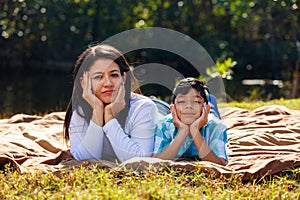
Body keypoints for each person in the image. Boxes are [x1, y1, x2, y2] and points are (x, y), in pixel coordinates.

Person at [63, 44, 158, 163]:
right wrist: (97, 112)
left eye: (114, 75)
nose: (108, 83)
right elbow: (83, 161)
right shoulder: (81, 111)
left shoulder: (143, 108)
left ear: (123, 77)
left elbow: (139, 161)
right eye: (98, 77)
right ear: (84, 82)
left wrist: (109, 117)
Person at [152, 77, 228, 166]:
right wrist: (183, 131)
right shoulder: (164, 124)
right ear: (173, 109)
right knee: (157, 105)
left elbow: (221, 163)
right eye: (181, 101)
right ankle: (154, 99)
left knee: (212, 104)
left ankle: (211, 101)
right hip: (179, 112)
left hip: (207, 113)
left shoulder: (216, 126)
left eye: (196, 101)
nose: (188, 106)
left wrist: (195, 130)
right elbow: (156, 161)